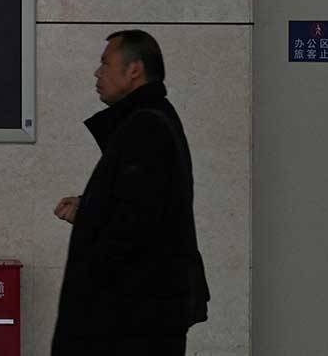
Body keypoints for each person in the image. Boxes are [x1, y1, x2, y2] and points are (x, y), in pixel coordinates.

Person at [50, 30, 210, 356]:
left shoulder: (146, 128)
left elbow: (133, 227)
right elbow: (139, 207)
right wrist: (89, 208)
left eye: (105, 64)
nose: (98, 73)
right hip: (139, 318)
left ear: (134, 70)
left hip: (128, 323)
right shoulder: (153, 119)